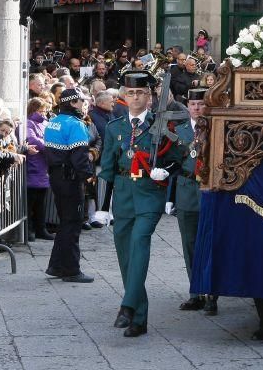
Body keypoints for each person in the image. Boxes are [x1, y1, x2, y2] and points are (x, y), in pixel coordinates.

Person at [98, 71, 185, 337]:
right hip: (124, 194)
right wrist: (103, 206)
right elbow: (108, 169)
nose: (135, 97)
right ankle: (140, 317)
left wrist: (166, 170)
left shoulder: (162, 126)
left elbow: (177, 158)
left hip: (149, 193)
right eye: (131, 92)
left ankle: (126, 306)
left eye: (141, 93)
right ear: (124, 95)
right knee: (125, 254)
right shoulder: (115, 127)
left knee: (139, 241)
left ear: (149, 96)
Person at [165, 88, 214, 314]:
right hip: (186, 188)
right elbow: (172, 161)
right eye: (193, 104)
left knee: (211, 241)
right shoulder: (180, 130)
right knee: (189, 242)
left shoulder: (215, 128)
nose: (196, 108)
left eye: (200, 104)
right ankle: (196, 293)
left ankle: (212, 293)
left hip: (208, 188)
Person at [43, 88, 96, 283]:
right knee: (72, 223)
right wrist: (88, 177)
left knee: (65, 222)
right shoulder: (76, 124)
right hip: (70, 178)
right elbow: (79, 156)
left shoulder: (53, 121)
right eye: (82, 101)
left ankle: (57, 266)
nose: (84, 105)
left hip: (57, 176)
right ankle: (71, 269)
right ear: (73, 103)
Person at [25, 97, 54, 241]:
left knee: (41, 202)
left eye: (45, 111)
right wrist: (49, 146)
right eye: (41, 111)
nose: (44, 114)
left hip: (44, 166)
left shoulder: (46, 124)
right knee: (30, 201)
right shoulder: (29, 123)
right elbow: (32, 140)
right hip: (34, 165)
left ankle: (40, 229)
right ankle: (29, 229)